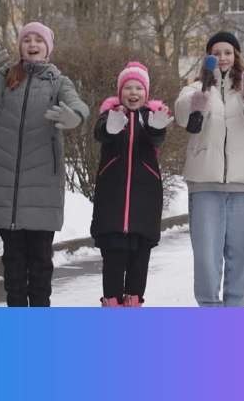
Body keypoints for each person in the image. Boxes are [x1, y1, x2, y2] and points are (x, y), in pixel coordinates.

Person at [0, 22, 89, 307]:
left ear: (48, 47)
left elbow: (78, 106)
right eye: (27, 39)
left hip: (43, 189)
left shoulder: (58, 82)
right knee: (13, 265)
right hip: (6, 190)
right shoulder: (0, 80)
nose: (32, 44)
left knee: (40, 264)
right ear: (20, 46)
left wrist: (74, 117)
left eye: (39, 40)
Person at [174, 31, 244, 307]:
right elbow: (181, 115)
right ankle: (210, 313)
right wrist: (194, 104)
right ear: (208, 57)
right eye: (216, 53)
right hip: (205, 185)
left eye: (227, 52)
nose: (222, 57)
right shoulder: (195, 87)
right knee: (206, 258)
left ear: (236, 55)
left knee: (242, 258)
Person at [90, 62, 172, 307]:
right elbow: (100, 133)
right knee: (113, 262)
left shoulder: (151, 118)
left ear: (146, 93)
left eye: (139, 88)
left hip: (143, 205)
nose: (133, 92)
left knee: (139, 263)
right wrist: (111, 128)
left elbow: (156, 139)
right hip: (112, 205)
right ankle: (112, 305)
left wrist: (156, 129)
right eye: (128, 87)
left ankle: (134, 305)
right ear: (119, 92)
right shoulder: (111, 115)